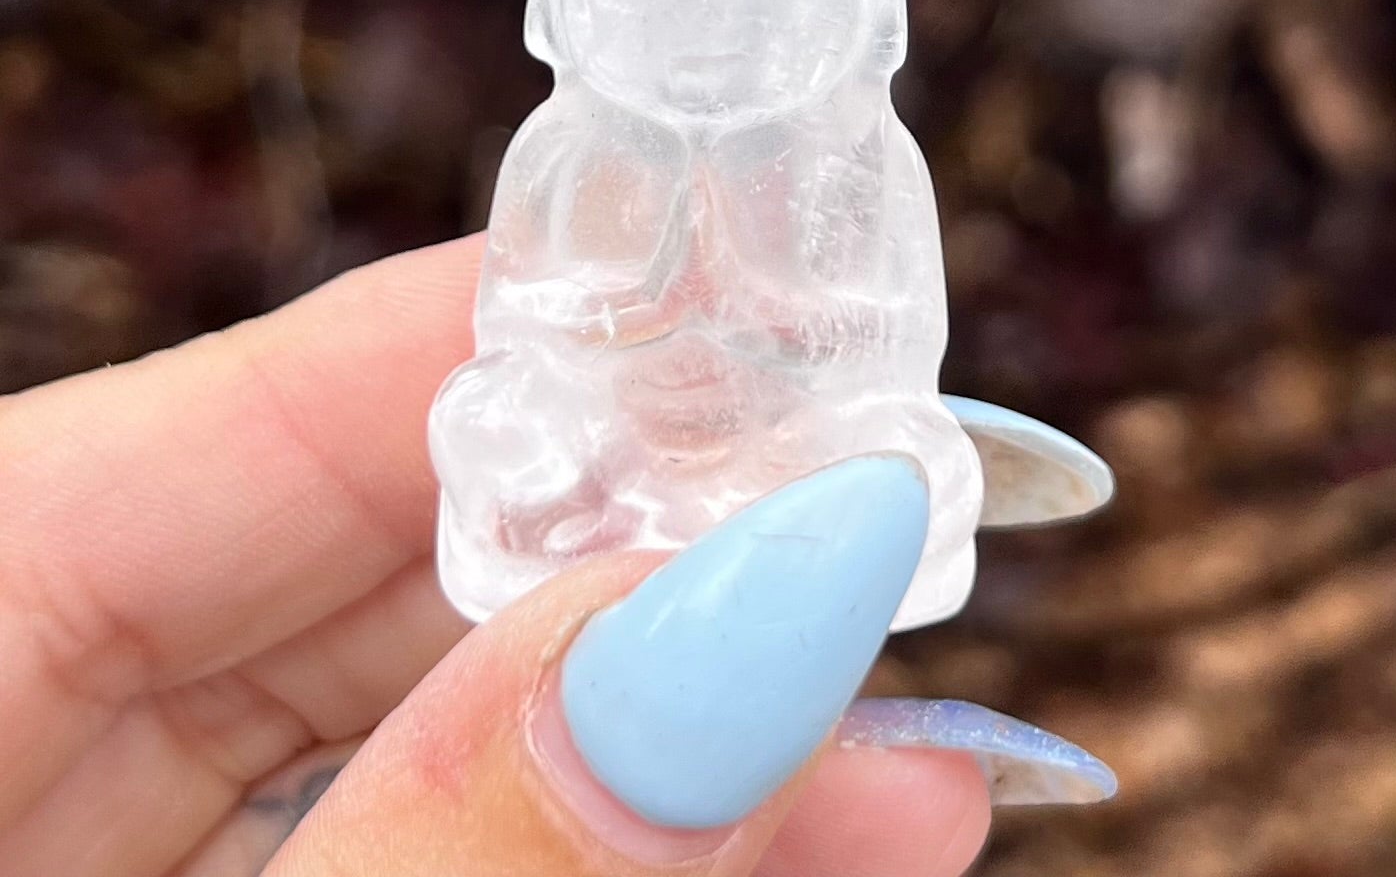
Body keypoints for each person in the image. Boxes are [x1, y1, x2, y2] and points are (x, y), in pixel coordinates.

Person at [0, 234, 993, 876]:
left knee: (889, 441)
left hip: (763, 483)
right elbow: (543, 335)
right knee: (496, 416)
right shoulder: (580, 166)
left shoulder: (852, 161)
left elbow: (869, 330)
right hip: (599, 506)